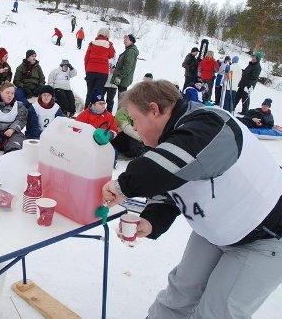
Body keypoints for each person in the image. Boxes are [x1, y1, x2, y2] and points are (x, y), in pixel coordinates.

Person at [102, 79, 282, 319]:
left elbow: (171, 164)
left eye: (135, 120)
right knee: (179, 293)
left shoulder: (211, 123)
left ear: (154, 110)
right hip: (216, 229)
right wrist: (151, 220)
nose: (134, 129)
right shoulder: (170, 140)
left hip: (265, 237)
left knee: (218, 311)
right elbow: (168, 186)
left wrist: (121, 186)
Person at [84, 28, 115, 108]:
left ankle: (86, 111)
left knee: (89, 92)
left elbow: (86, 58)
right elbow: (111, 56)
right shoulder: (109, 45)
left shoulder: (92, 43)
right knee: (98, 93)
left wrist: (87, 70)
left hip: (90, 71)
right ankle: (95, 112)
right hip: (102, 72)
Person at [111, 34, 138, 103]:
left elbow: (128, 66)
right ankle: (120, 113)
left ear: (132, 41)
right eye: (124, 39)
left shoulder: (131, 51)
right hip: (123, 79)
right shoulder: (128, 50)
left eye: (127, 39)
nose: (124, 41)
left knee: (122, 101)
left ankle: (121, 113)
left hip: (123, 80)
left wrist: (119, 76)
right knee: (121, 99)